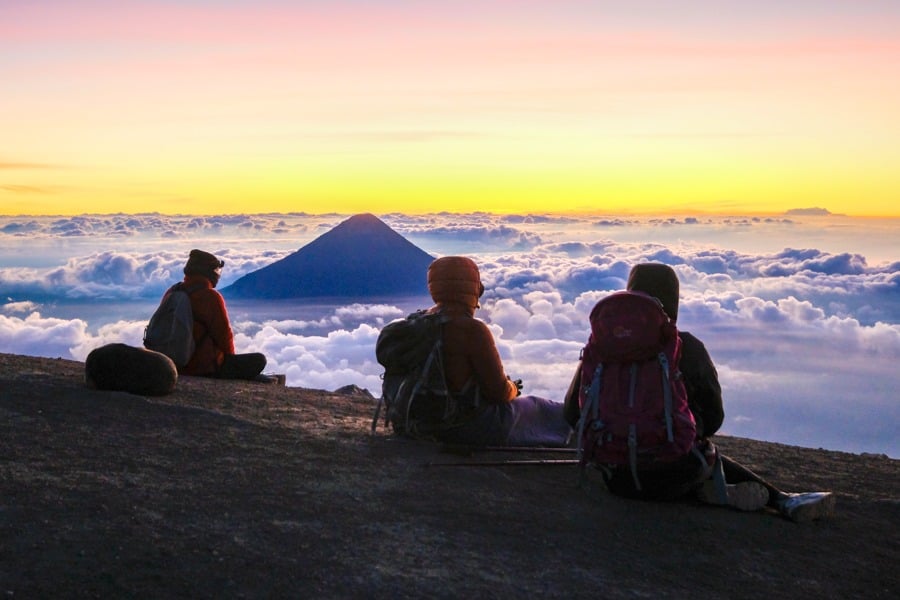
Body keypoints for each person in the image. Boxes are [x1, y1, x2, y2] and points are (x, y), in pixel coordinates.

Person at [564, 263, 835, 522]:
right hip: (676, 473)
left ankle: (706, 490)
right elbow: (714, 418)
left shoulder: (601, 348)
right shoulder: (686, 346)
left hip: (614, 475)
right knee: (698, 448)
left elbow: (571, 412)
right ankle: (775, 499)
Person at [422, 256, 572, 447]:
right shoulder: (471, 329)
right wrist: (513, 388)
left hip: (418, 422)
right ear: (473, 287)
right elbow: (498, 392)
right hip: (461, 426)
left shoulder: (419, 322)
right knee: (543, 408)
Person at [168, 249, 267, 380]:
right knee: (259, 360)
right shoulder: (210, 296)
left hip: (172, 362)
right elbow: (224, 335)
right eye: (216, 271)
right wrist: (230, 360)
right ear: (208, 272)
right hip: (202, 367)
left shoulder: (173, 291)